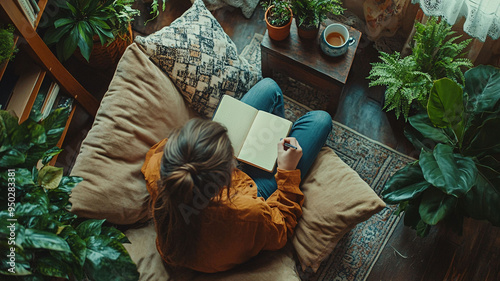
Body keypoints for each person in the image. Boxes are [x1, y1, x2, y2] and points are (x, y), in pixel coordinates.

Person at [141, 78, 332, 273]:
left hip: (206, 175)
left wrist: (203, 151)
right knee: (320, 121)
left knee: (269, 87)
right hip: (250, 192)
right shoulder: (246, 214)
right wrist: (287, 171)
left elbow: (163, 154)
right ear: (226, 178)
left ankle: (274, 137)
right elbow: (281, 228)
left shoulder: (160, 166)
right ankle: (276, 150)